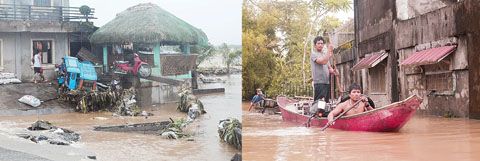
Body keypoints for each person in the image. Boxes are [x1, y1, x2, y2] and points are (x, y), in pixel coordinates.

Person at [310, 36, 337, 103]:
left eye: (322, 43)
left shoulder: (324, 54)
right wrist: (329, 50)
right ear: (315, 45)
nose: (320, 45)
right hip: (319, 83)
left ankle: (326, 113)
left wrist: (334, 71)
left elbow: (329, 67)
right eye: (318, 43)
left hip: (326, 82)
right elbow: (323, 61)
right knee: (319, 104)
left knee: (326, 103)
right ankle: (317, 113)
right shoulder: (313, 54)